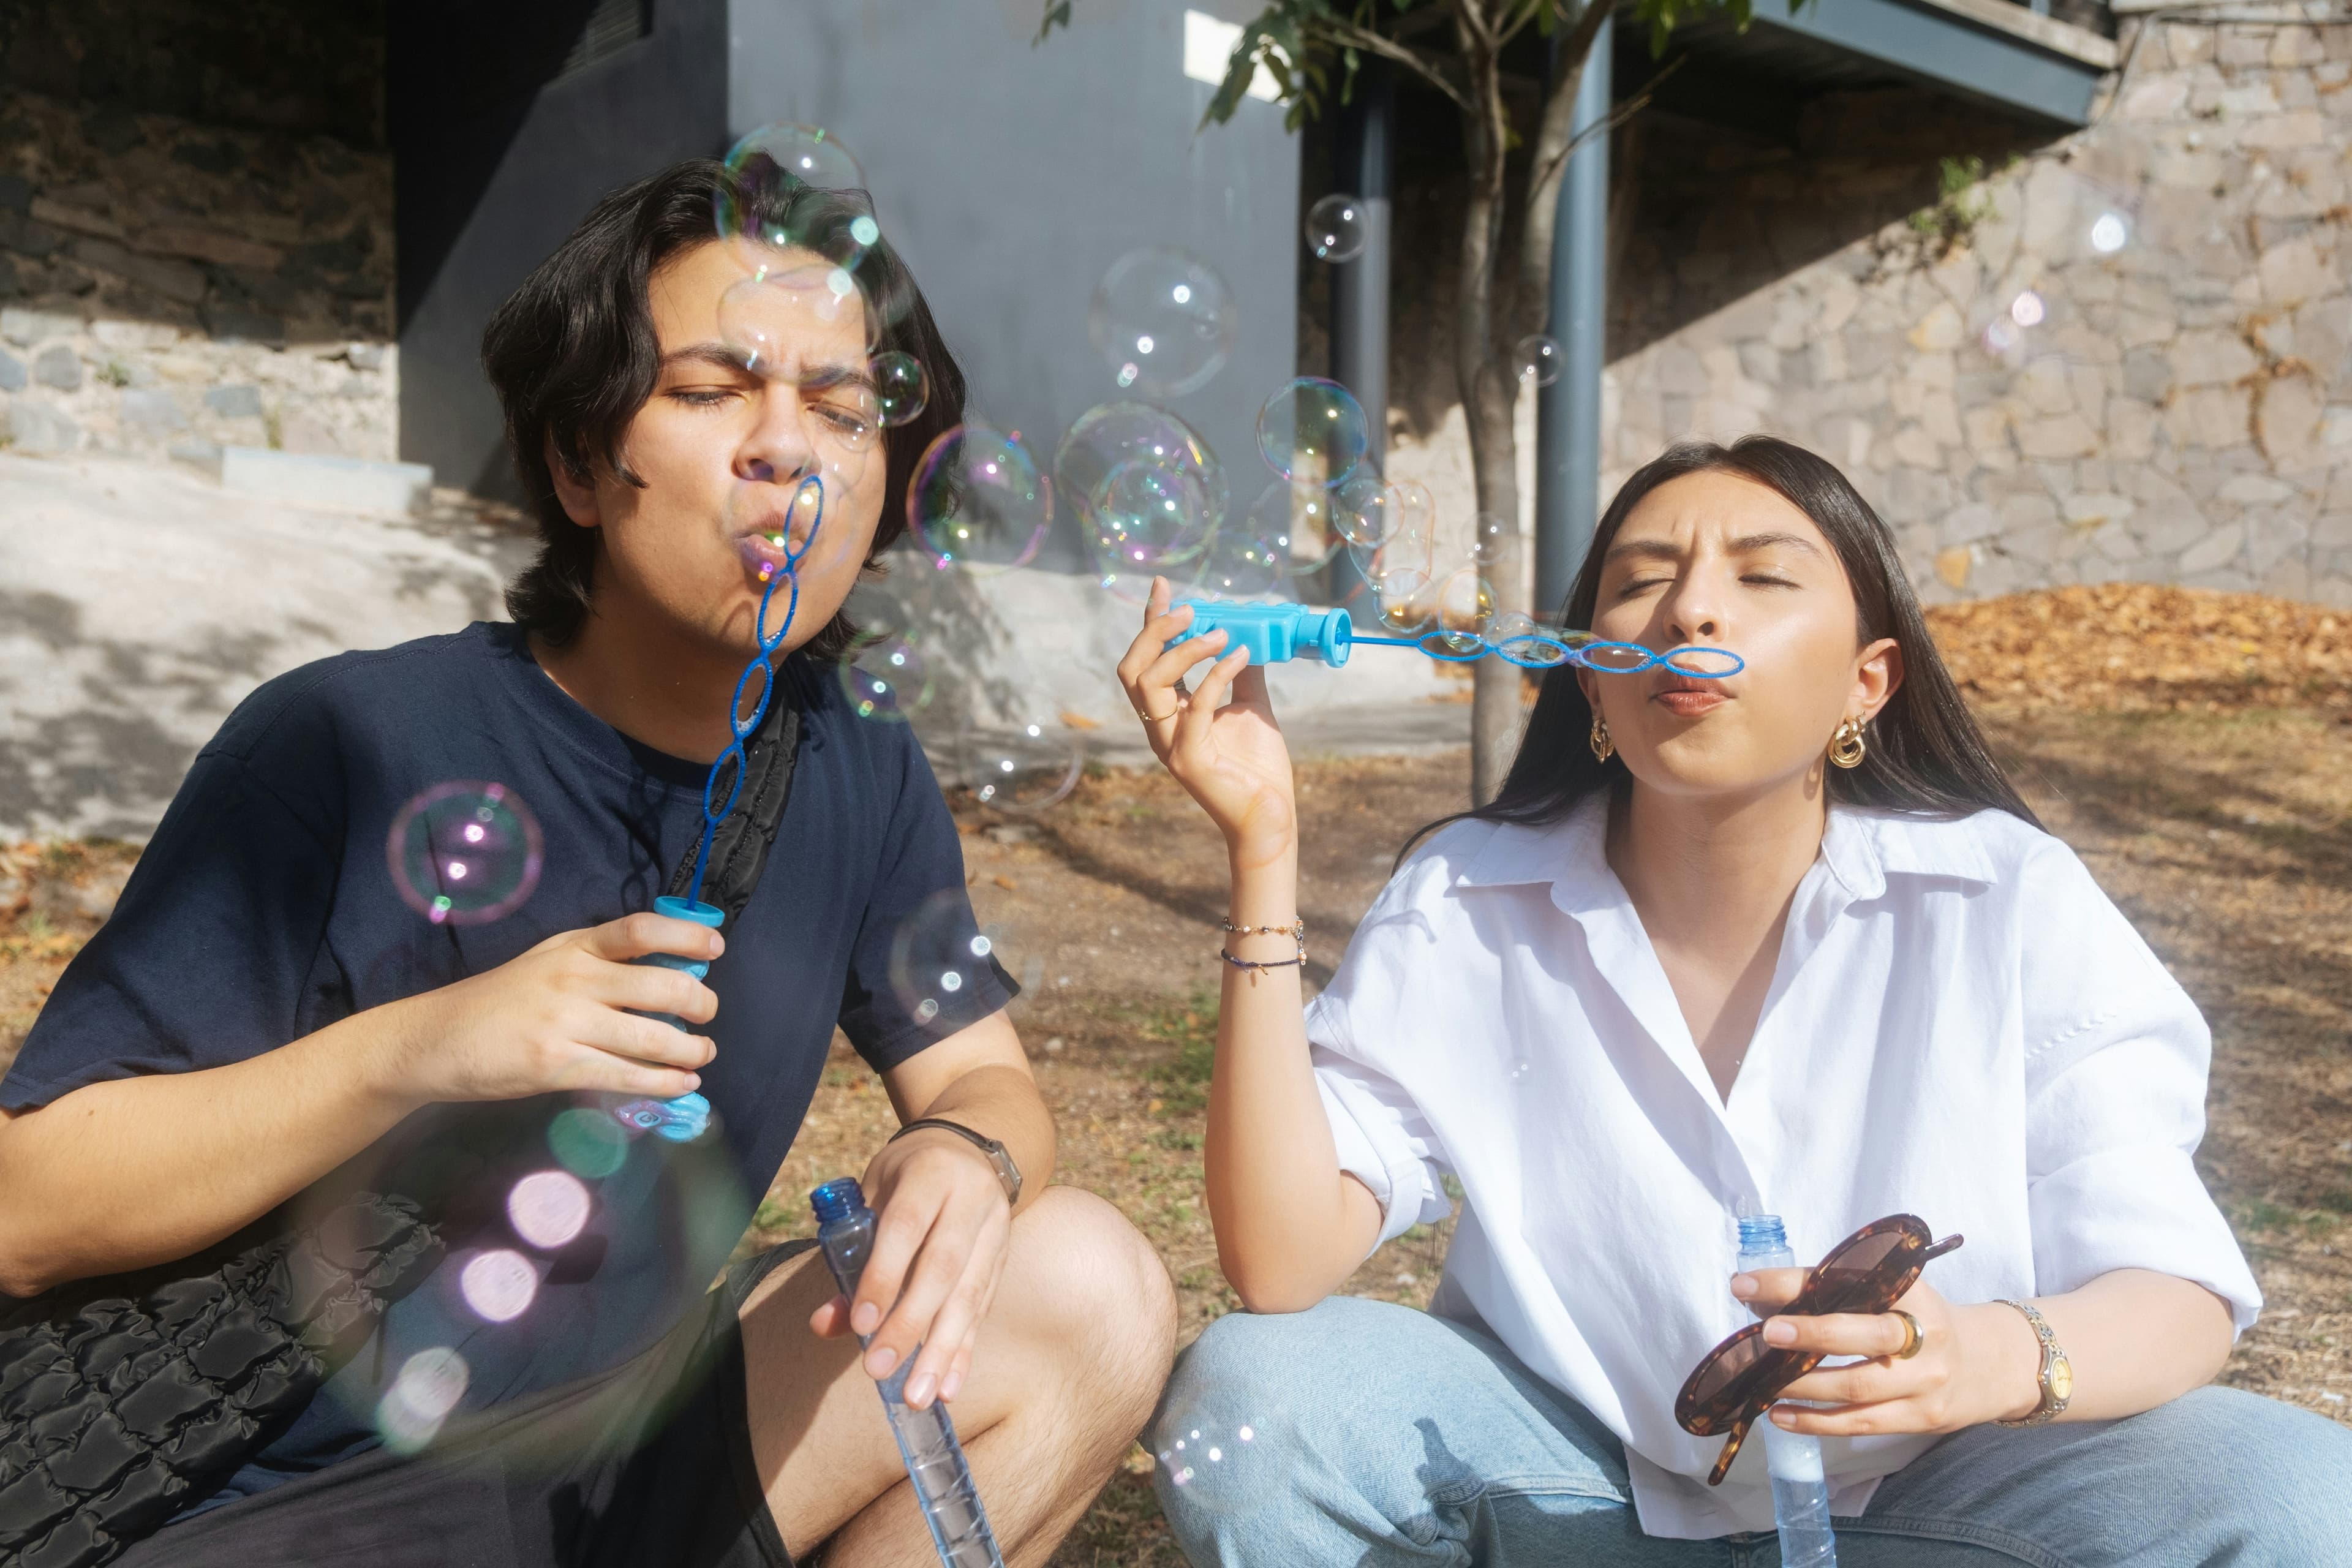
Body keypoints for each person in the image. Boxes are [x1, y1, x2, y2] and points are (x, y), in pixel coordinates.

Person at [0, 159, 1174, 1567]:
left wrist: (965, 1154)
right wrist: (431, 1044)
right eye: (711, 388)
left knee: (1087, 1289)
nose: (787, 449)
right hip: (276, 1507)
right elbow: (30, 1207)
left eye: (844, 408)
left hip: (604, 1462)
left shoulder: (856, 763)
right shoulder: (348, 741)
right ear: (575, 461)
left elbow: (989, 1080)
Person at [1117, 435, 2352, 1566]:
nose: (1692, 606)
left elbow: (2175, 1291)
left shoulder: (2003, 895)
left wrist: (1983, 1355)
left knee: (2301, 1493)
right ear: (1592, 681)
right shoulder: (1465, 899)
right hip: (1575, 1495)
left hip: (1945, 1506)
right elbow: (1279, 1259)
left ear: (1870, 681)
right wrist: (1262, 843)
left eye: (1764, 576)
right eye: (1642, 577)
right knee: (1260, 1393)